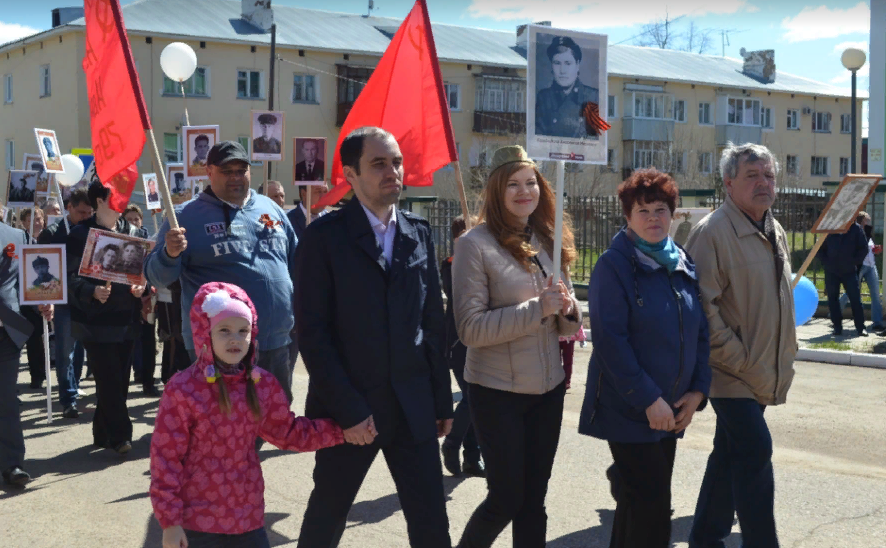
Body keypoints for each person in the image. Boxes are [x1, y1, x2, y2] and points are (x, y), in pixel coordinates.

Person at [295, 127, 453, 548]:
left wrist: (440, 401)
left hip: (413, 407)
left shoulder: (418, 231)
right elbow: (312, 334)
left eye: (396, 162)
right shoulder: (324, 237)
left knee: (431, 523)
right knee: (326, 518)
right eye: (379, 164)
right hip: (349, 412)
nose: (393, 172)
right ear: (351, 174)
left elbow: (432, 324)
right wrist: (349, 412)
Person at [452, 145, 582, 548]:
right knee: (506, 498)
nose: (524, 192)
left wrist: (569, 309)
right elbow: (470, 329)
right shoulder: (474, 244)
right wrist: (538, 308)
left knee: (533, 502)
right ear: (496, 190)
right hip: (497, 392)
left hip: (547, 389)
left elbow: (563, 317)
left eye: (531, 183)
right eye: (513, 184)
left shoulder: (546, 239)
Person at [151, 281, 345, 548]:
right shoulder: (183, 389)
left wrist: (342, 430)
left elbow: (288, 432)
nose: (235, 338)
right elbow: (166, 458)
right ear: (205, 333)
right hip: (197, 522)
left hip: (247, 518)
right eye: (224, 330)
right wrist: (170, 523)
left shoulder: (261, 384)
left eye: (243, 330)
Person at [578, 169, 711, 548]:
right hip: (628, 409)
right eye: (643, 210)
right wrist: (649, 400)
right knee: (652, 510)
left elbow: (700, 332)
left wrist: (698, 391)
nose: (653, 218)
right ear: (628, 216)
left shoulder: (681, 261)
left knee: (637, 505)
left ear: (673, 213)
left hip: (672, 408)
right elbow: (611, 342)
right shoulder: (614, 265)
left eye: (661, 209)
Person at [685, 142, 797, 548]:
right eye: (752, 175)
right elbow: (700, 309)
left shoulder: (773, 228)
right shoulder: (712, 232)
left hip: (760, 367)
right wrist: (740, 358)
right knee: (754, 451)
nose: (763, 183)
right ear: (728, 183)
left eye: (769, 176)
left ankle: (705, 537)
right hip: (728, 372)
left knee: (728, 454)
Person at [145, 141, 300, 406]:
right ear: (209, 172)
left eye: (241, 170)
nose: (236, 177)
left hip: (276, 340)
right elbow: (157, 277)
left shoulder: (270, 208)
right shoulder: (184, 217)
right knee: (227, 425)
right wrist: (169, 254)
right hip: (221, 348)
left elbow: (297, 263)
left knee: (276, 418)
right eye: (227, 171)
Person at [67, 181, 145, 455]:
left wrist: (142, 287)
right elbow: (68, 277)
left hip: (127, 320)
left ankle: (102, 434)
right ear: (100, 200)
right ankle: (122, 436)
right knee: (109, 379)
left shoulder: (133, 232)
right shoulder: (80, 234)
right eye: (116, 195)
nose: (123, 199)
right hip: (95, 323)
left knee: (119, 381)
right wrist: (91, 291)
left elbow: (142, 272)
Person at [0, 219, 54, 486]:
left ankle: (12, 465)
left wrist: (42, 302)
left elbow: (27, 282)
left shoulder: (17, 236)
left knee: (6, 400)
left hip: (6, 332)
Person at [439, 214, 486, 479]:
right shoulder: (451, 264)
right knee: (472, 397)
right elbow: (456, 291)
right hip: (459, 340)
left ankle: (472, 458)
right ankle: (452, 443)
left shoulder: (480, 259)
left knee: (476, 398)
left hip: (482, 338)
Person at [38, 188, 92, 411]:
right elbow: (40, 267)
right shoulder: (52, 234)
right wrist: (46, 298)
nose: (86, 217)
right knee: (65, 351)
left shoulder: (93, 230)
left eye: (89, 213)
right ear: (69, 207)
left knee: (79, 350)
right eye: (81, 213)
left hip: (87, 298)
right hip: (63, 299)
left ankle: (74, 386)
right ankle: (68, 399)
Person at [535, 36, 602, 139]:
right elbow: (538, 139)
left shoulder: (593, 96)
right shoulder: (543, 98)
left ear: (577, 65)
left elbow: (595, 139)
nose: (562, 71)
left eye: (568, 63)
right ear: (551, 66)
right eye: (557, 63)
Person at [818, 211, 869, 337]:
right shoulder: (830, 229)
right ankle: (837, 327)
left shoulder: (856, 229)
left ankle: (860, 327)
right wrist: (827, 263)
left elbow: (864, 248)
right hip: (832, 271)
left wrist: (854, 262)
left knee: (855, 299)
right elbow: (820, 249)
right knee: (832, 299)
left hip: (849, 271)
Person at [839, 211, 885, 332]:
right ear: (861, 220)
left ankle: (877, 322)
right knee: (850, 292)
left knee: (875, 294)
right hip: (860, 266)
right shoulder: (855, 232)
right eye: (867, 219)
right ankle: (835, 313)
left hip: (871, 265)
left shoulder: (868, 232)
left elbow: (868, 247)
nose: (869, 221)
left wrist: (875, 250)